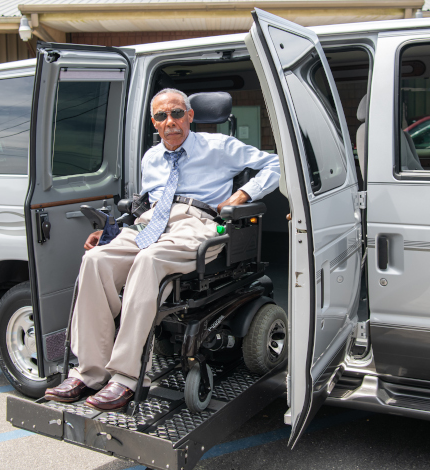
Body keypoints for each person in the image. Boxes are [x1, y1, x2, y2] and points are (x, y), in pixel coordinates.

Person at [44, 88, 281, 410]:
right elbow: (144, 204)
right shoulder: (151, 157)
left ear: (190, 116)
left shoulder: (219, 146)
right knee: (95, 260)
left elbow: (277, 164)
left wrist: (242, 195)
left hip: (196, 222)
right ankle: (89, 371)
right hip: (150, 222)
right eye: (161, 116)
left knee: (148, 260)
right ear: (154, 122)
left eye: (177, 114)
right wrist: (110, 231)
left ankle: (126, 377)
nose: (170, 122)